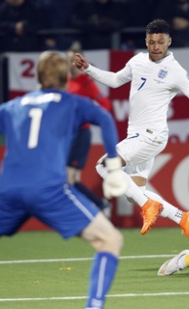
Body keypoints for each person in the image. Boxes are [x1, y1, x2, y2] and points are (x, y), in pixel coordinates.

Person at [0, 51, 128, 309]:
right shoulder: (72, 102)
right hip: (48, 190)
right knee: (110, 240)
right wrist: (113, 166)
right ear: (65, 77)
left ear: (37, 77)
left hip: (7, 193)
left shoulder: (15, 105)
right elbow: (106, 118)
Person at [73, 18, 189, 251]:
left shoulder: (176, 71)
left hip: (151, 135)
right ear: (146, 41)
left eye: (160, 42)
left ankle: (149, 206)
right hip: (138, 136)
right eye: (151, 42)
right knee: (135, 192)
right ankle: (183, 218)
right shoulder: (137, 61)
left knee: (103, 167)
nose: (155, 46)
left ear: (169, 42)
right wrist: (88, 69)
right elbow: (114, 81)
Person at [66, 45, 113, 218]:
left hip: (81, 135)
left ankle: (99, 205)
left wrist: (87, 116)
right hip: (66, 136)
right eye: (68, 59)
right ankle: (97, 206)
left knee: (70, 180)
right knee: (67, 181)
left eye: (73, 59)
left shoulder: (86, 82)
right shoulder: (64, 81)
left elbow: (105, 106)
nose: (70, 62)